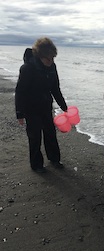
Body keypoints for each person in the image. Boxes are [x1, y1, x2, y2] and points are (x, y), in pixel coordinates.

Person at [15, 37, 68, 173]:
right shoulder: (28, 68)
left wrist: (64, 107)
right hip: (31, 108)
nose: (51, 62)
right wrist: (19, 113)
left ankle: (54, 159)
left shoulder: (52, 67)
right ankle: (37, 165)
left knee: (50, 133)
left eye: (53, 59)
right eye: (48, 59)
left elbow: (55, 88)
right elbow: (20, 91)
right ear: (40, 56)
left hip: (45, 106)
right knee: (35, 137)